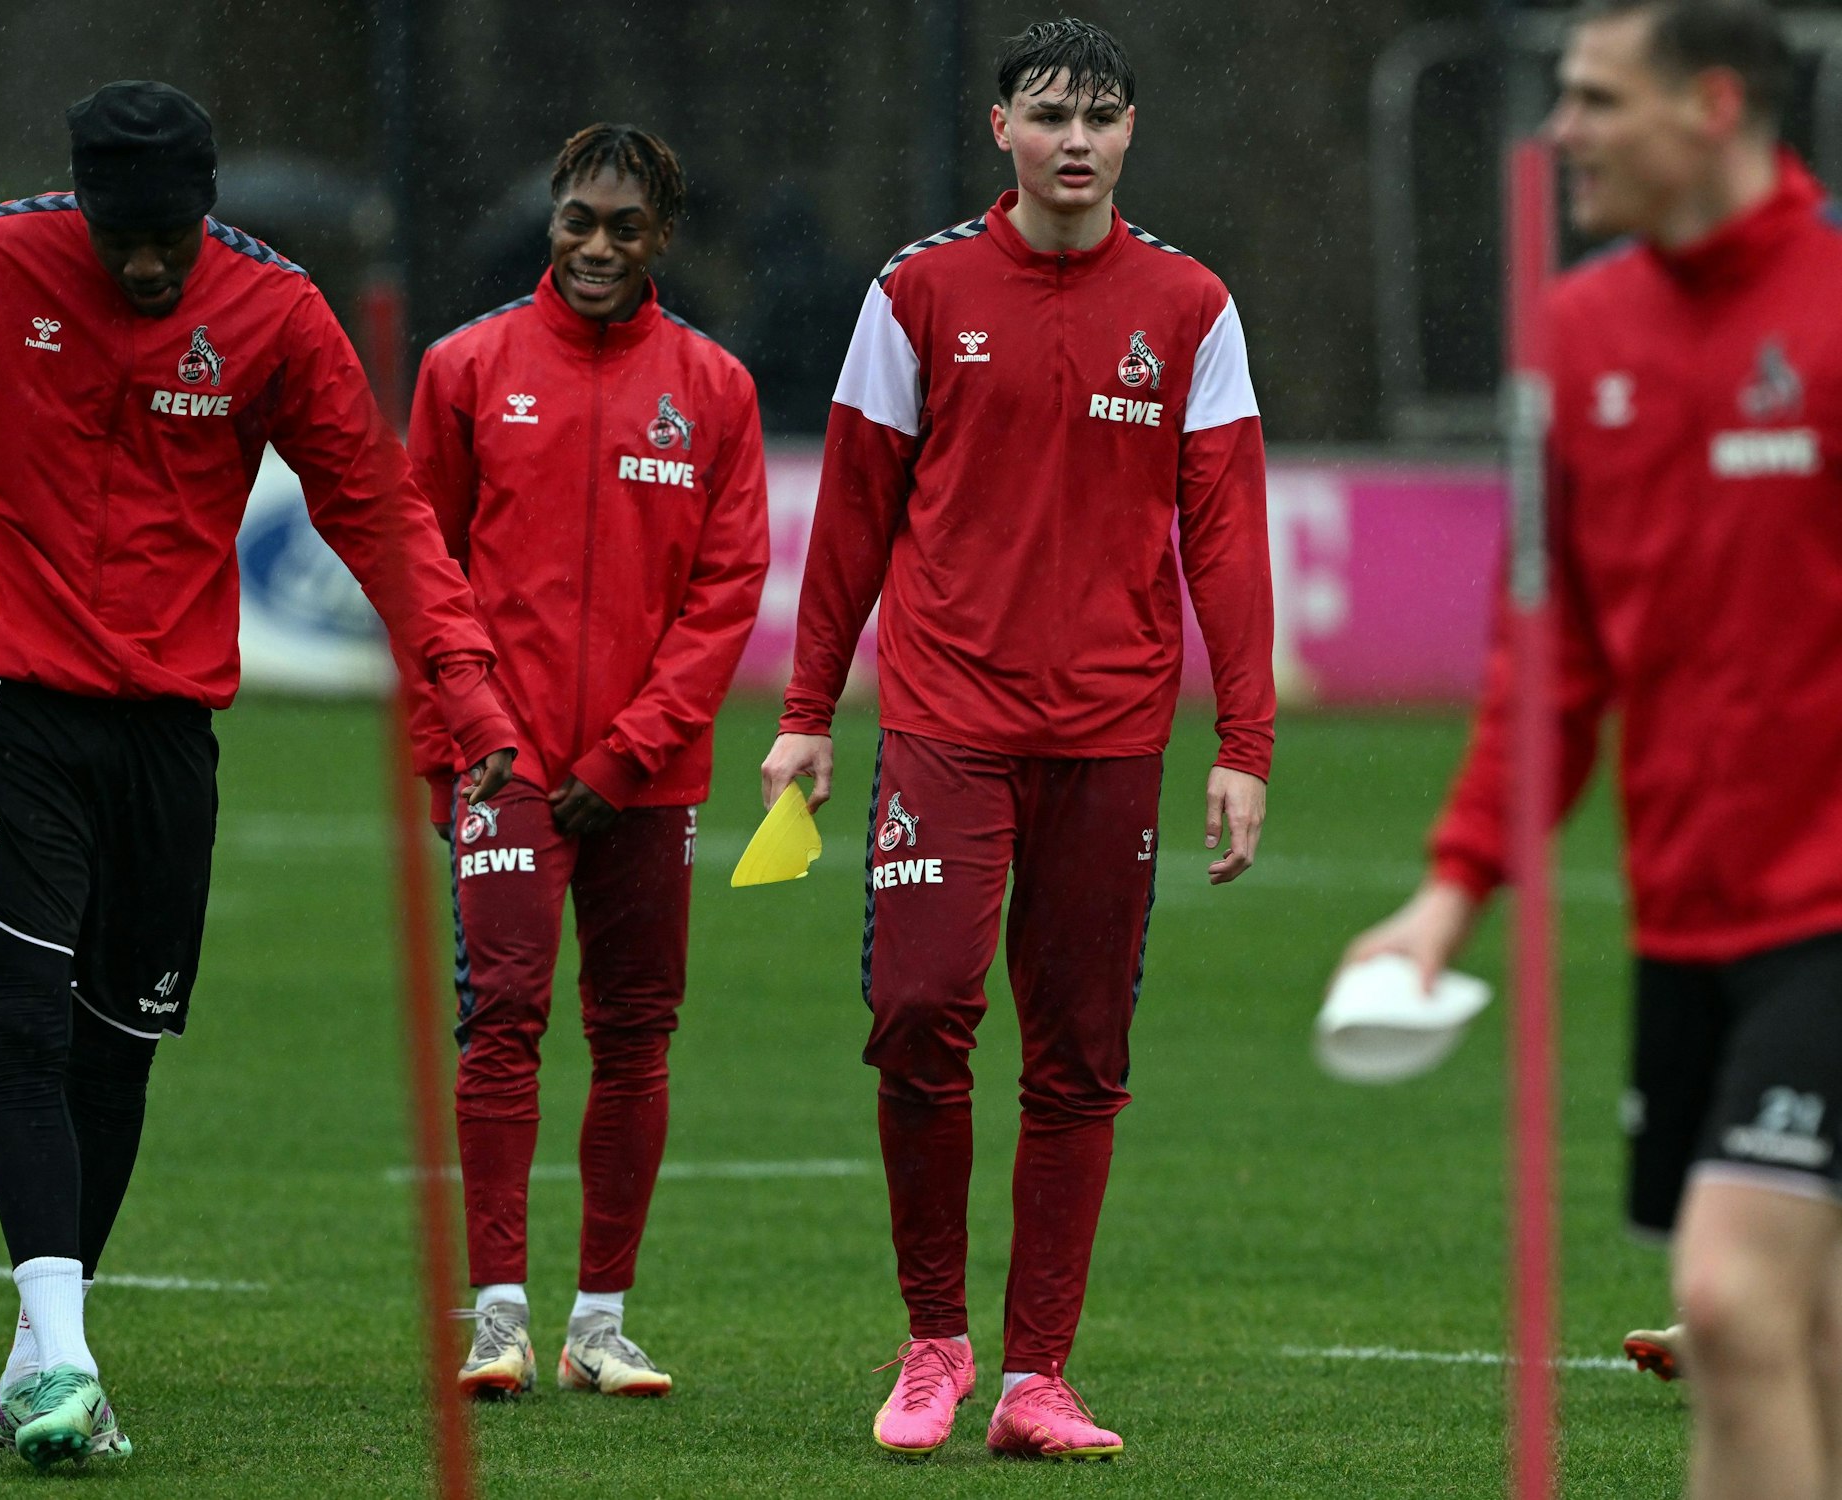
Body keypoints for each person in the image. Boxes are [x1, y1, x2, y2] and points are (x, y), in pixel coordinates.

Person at [0, 81, 516, 1469]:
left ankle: (42, 1346)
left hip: (168, 732)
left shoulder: (274, 311)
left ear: (207, 209)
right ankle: (72, 1358)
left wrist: (462, 683)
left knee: (118, 1046)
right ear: (83, 201)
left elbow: (372, 502)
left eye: (172, 237)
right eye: (124, 237)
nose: (149, 263)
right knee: (23, 1024)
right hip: (1, 709)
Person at [1339, 4, 1842, 1495]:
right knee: (1801, 1341)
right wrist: (1451, 891)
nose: (1560, 134)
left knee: (1733, 1302)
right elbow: (1544, 669)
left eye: (1597, 99)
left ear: (1714, 105)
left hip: (1834, 915)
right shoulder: (1578, 336)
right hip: (1689, 916)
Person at [762, 17, 1274, 1461]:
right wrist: (807, 716)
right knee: (921, 1012)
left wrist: (1246, 738)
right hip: (944, 721)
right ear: (1000, 128)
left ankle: (1037, 1377)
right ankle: (934, 1341)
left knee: (1081, 1054)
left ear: (1130, 135)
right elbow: (853, 512)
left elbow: (1228, 535)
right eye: (1049, 111)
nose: (1075, 138)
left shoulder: (1189, 306)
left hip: (1113, 733)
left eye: (1101, 115)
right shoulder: (919, 291)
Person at [404, 123, 768, 1403]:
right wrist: (455, 746)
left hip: (643, 781)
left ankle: (599, 1320)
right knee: (500, 1022)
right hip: (500, 767)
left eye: (623, 227)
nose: (596, 246)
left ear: (659, 236)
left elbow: (726, 593)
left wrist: (630, 753)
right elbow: (423, 568)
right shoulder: (463, 368)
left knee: (635, 1037)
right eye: (577, 221)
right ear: (549, 220)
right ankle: (497, 1313)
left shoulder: (713, 388)